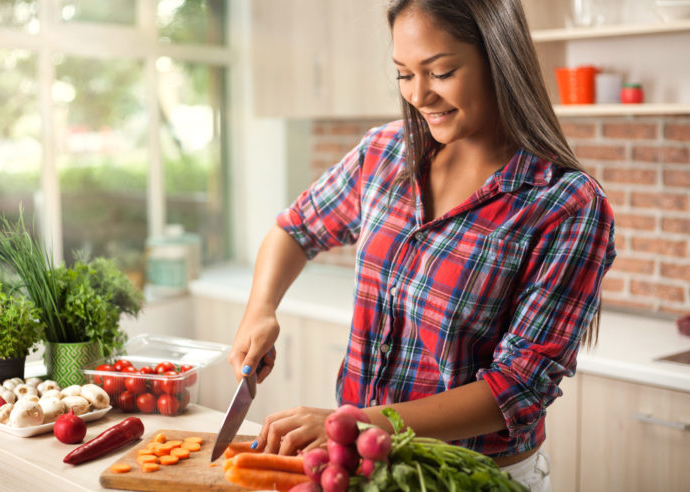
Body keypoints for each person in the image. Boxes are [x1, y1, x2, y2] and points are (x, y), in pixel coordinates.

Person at [228, 0, 616, 490]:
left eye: (441, 72)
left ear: (500, 58)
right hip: (365, 464)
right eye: (403, 75)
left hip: (473, 476)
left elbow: (516, 390)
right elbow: (295, 229)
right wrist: (260, 309)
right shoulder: (385, 153)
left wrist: (357, 423)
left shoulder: (565, 202)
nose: (419, 95)